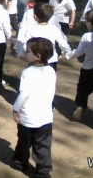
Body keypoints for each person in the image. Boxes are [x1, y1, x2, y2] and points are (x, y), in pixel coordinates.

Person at [11, 37, 55, 177]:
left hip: (27, 119)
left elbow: (24, 94)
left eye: (28, 51)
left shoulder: (27, 73)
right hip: (45, 118)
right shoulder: (51, 71)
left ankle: (20, 162)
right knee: (43, 146)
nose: (25, 53)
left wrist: (15, 109)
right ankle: (43, 172)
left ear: (38, 56)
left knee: (24, 143)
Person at [66, 10, 93, 123]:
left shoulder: (87, 36)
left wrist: (69, 55)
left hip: (88, 67)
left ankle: (80, 105)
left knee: (83, 89)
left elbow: (79, 52)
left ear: (89, 23)